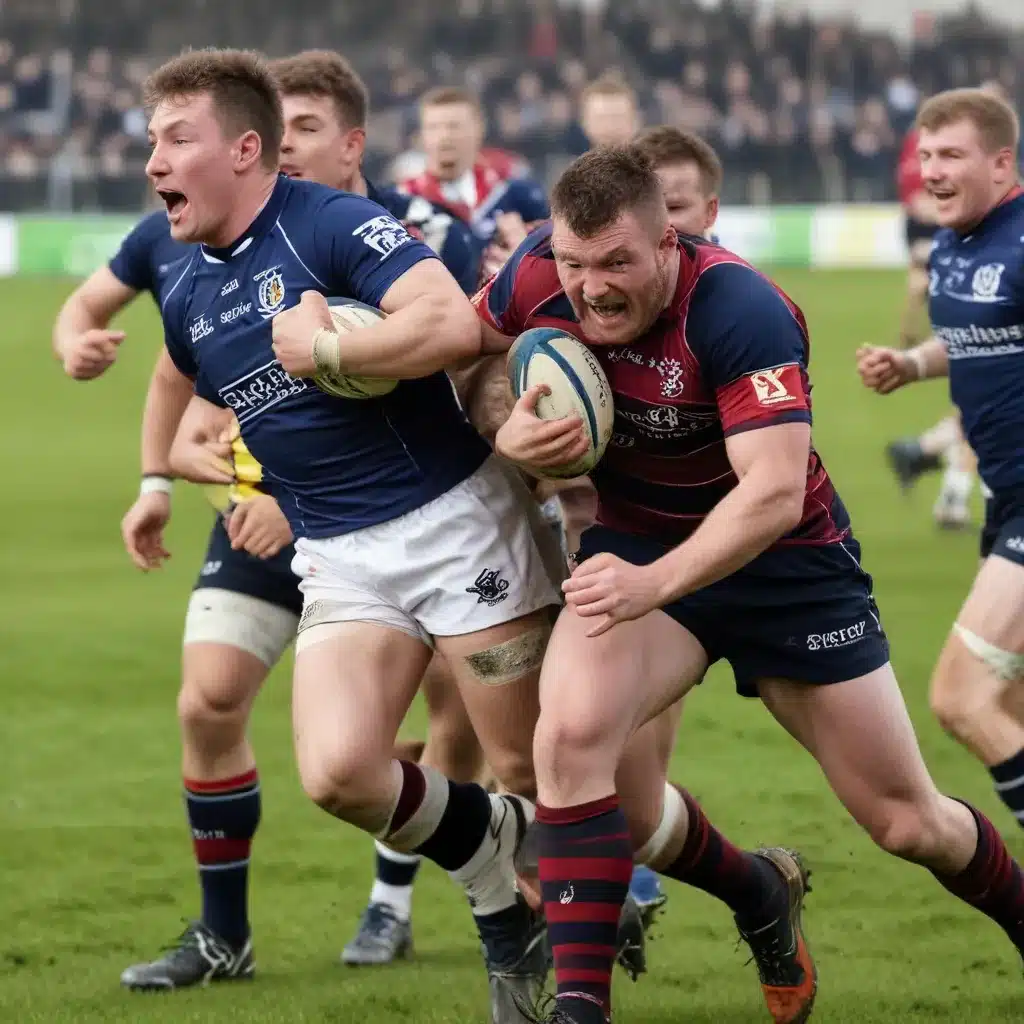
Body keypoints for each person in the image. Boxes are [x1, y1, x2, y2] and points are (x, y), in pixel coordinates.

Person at [474, 144, 1024, 1024]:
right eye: (576, 265)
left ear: (670, 243)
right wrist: (506, 432)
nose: (591, 288)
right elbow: (468, 353)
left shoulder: (741, 308)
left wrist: (653, 586)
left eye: (617, 263)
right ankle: (584, 1010)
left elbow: (770, 495)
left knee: (908, 822)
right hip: (640, 550)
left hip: (786, 568)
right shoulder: (538, 273)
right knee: (568, 740)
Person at [858, 87, 1024, 833]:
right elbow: (969, 340)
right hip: (1005, 502)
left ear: (1001, 161)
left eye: (950, 154)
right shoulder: (956, 245)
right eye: (925, 155)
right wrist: (911, 363)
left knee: (962, 697)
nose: (931, 171)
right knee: (1010, 708)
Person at [399, 85, 549, 280]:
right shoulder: (403, 202)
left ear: (479, 128)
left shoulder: (514, 194)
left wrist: (526, 255)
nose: (444, 136)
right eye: (433, 127)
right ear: (421, 135)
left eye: (454, 126)